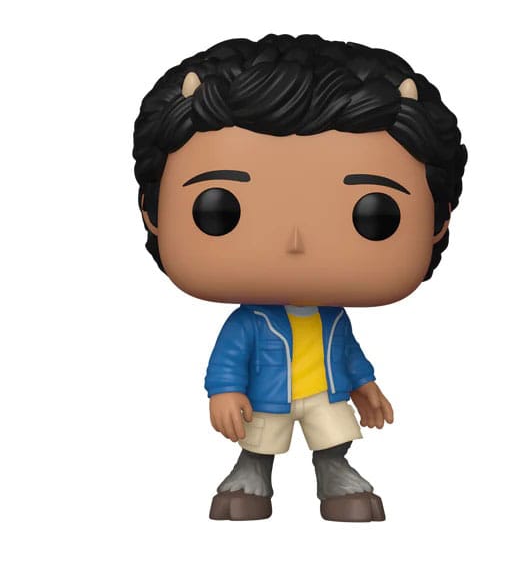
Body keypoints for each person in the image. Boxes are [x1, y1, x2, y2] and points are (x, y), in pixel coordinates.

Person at [132, 34, 467, 521]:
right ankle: (250, 474)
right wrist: (223, 391)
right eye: (219, 210)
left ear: (438, 219)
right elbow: (229, 358)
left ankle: (334, 473)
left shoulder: (334, 319)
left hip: (324, 392)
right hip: (266, 398)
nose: (294, 242)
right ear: (153, 212)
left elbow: (348, 353)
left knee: (334, 437)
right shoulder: (250, 322)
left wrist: (365, 386)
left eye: (374, 214)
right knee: (259, 441)